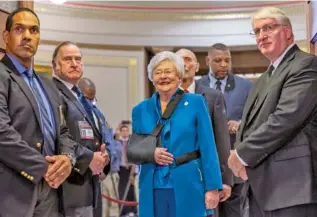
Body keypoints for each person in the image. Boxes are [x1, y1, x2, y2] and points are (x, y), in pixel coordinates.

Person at [228, 7, 317, 217]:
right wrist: (239, 156)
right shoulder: (263, 79)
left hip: (292, 188)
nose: (262, 36)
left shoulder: (306, 65)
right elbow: (251, 125)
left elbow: (286, 119)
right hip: (260, 188)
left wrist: (241, 154)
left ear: (287, 32)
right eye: (257, 31)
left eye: (268, 28)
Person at [0, 7, 80, 217]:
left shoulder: (49, 84)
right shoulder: (1, 76)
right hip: (11, 188)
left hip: (51, 191)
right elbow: (2, 134)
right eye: (19, 29)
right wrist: (44, 167)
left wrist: (67, 159)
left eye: (34, 30)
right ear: (6, 36)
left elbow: (64, 131)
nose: (27, 36)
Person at [130, 51, 222, 217]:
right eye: (158, 72)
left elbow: (208, 147)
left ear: (179, 76)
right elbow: (135, 148)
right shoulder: (140, 110)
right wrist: (151, 153)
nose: (163, 77)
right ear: (152, 77)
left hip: (188, 182)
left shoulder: (196, 103)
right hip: (152, 184)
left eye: (168, 71)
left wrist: (213, 187)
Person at [52, 42, 111, 217]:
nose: (74, 63)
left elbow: (92, 136)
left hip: (88, 187)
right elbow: (59, 137)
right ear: (55, 65)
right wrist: (90, 158)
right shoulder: (53, 92)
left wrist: (103, 157)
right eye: (68, 59)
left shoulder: (80, 96)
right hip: (68, 190)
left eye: (78, 59)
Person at [197, 43, 252, 217]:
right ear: (207, 61)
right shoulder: (196, 88)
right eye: (218, 60)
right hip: (204, 164)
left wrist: (241, 124)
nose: (223, 65)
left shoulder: (246, 86)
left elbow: (257, 117)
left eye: (227, 60)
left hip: (234, 162)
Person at [176, 49, 233, 205]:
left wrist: (225, 179)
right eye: (179, 60)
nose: (184, 64)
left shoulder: (213, 97)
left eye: (188, 60)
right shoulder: (162, 98)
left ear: (197, 66)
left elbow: (221, 139)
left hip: (205, 179)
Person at [78, 77, 122, 217]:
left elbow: (109, 142)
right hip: (77, 173)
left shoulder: (99, 115)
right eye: (86, 99)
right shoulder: (71, 111)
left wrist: (105, 158)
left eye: (93, 99)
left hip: (98, 175)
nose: (90, 103)